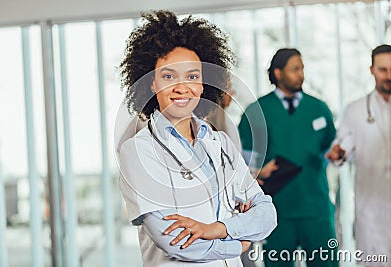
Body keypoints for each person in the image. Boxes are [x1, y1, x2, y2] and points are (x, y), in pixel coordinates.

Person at [116, 10, 277, 266]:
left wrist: (217, 229)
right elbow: (176, 243)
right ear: (151, 83)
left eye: (192, 76)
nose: (182, 87)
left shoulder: (220, 143)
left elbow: (267, 215)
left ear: (203, 84)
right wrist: (239, 242)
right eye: (168, 77)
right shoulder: (138, 151)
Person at [238, 48, 338, 267]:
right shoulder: (256, 111)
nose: (301, 74)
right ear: (278, 73)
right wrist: (258, 171)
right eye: (294, 69)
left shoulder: (318, 109)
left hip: (316, 207)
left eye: (302, 69)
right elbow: (243, 164)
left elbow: (330, 148)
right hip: (276, 210)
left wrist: (334, 154)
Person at [326, 44, 391, 266]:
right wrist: (338, 152)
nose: (388, 76)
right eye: (383, 70)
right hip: (371, 209)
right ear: (371, 70)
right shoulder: (355, 110)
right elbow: (343, 146)